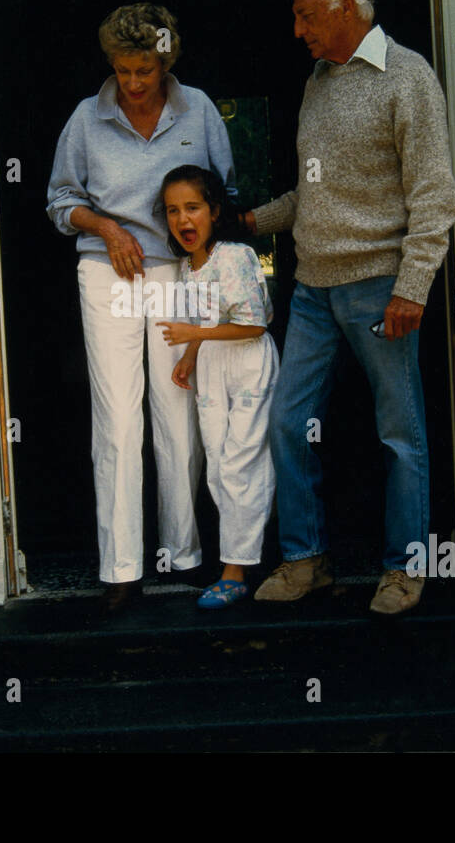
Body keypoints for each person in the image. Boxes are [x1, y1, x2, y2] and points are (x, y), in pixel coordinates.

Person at [243, 0, 455, 615]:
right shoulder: (319, 80)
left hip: (379, 284)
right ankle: (307, 559)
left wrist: (413, 287)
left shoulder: (407, 76)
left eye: (306, 14)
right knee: (285, 421)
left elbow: (435, 195)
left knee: (399, 432)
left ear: (347, 9)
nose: (297, 27)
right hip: (312, 285)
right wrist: (254, 220)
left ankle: (404, 569)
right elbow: (316, 193)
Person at [46, 3, 237, 611]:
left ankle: (182, 555)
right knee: (119, 419)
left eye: (144, 71)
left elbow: (223, 194)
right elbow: (58, 201)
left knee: (179, 411)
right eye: (123, 70)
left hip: (176, 271)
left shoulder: (199, 109)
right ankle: (121, 567)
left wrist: (206, 261)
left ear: (165, 63)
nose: (131, 83)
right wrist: (105, 227)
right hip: (107, 270)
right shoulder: (86, 117)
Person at [156, 165, 278, 609]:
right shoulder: (189, 266)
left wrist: (193, 339)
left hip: (245, 367)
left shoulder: (235, 256)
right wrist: (190, 358)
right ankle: (241, 559)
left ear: (214, 211)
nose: (183, 220)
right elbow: (206, 324)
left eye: (193, 208)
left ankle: (235, 571)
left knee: (243, 463)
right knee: (218, 467)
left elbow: (252, 327)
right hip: (210, 368)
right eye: (173, 211)